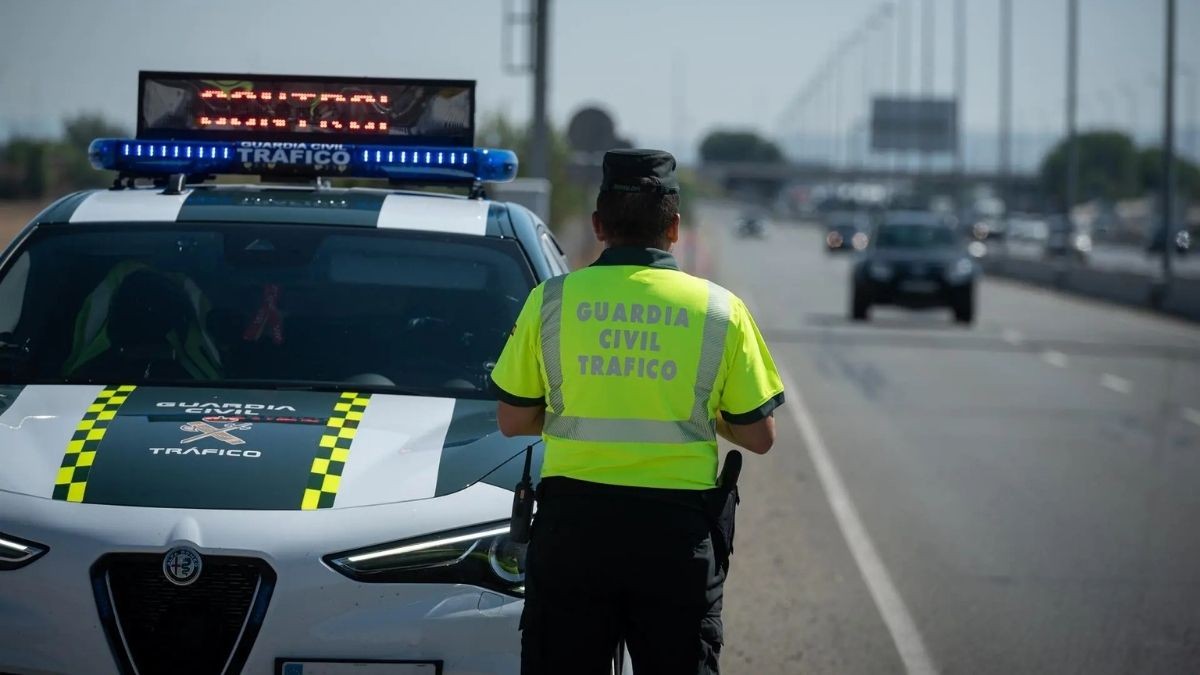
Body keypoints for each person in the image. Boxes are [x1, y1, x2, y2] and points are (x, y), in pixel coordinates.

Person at [490, 148, 785, 675]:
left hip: (573, 534)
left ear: (598, 225)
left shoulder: (551, 300)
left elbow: (512, 420)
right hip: (676, 542)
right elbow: (759, 435)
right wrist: (700, 409)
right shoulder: (721, 309)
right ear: (674, 228)